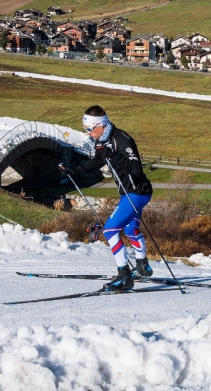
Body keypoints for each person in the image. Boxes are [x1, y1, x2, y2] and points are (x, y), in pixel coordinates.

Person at [59, 105, 153, 291]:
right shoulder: (101, 139)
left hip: (136, 192)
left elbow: (135, 169)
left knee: (109, 231)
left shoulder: (122, 139)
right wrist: (76, 171)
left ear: (100, 125)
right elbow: (98, 160)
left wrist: (115, 157)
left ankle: (124, 276)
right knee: (131, 230)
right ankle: (143, 267)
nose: (87, 133)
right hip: (128, 192)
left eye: (89, 129)